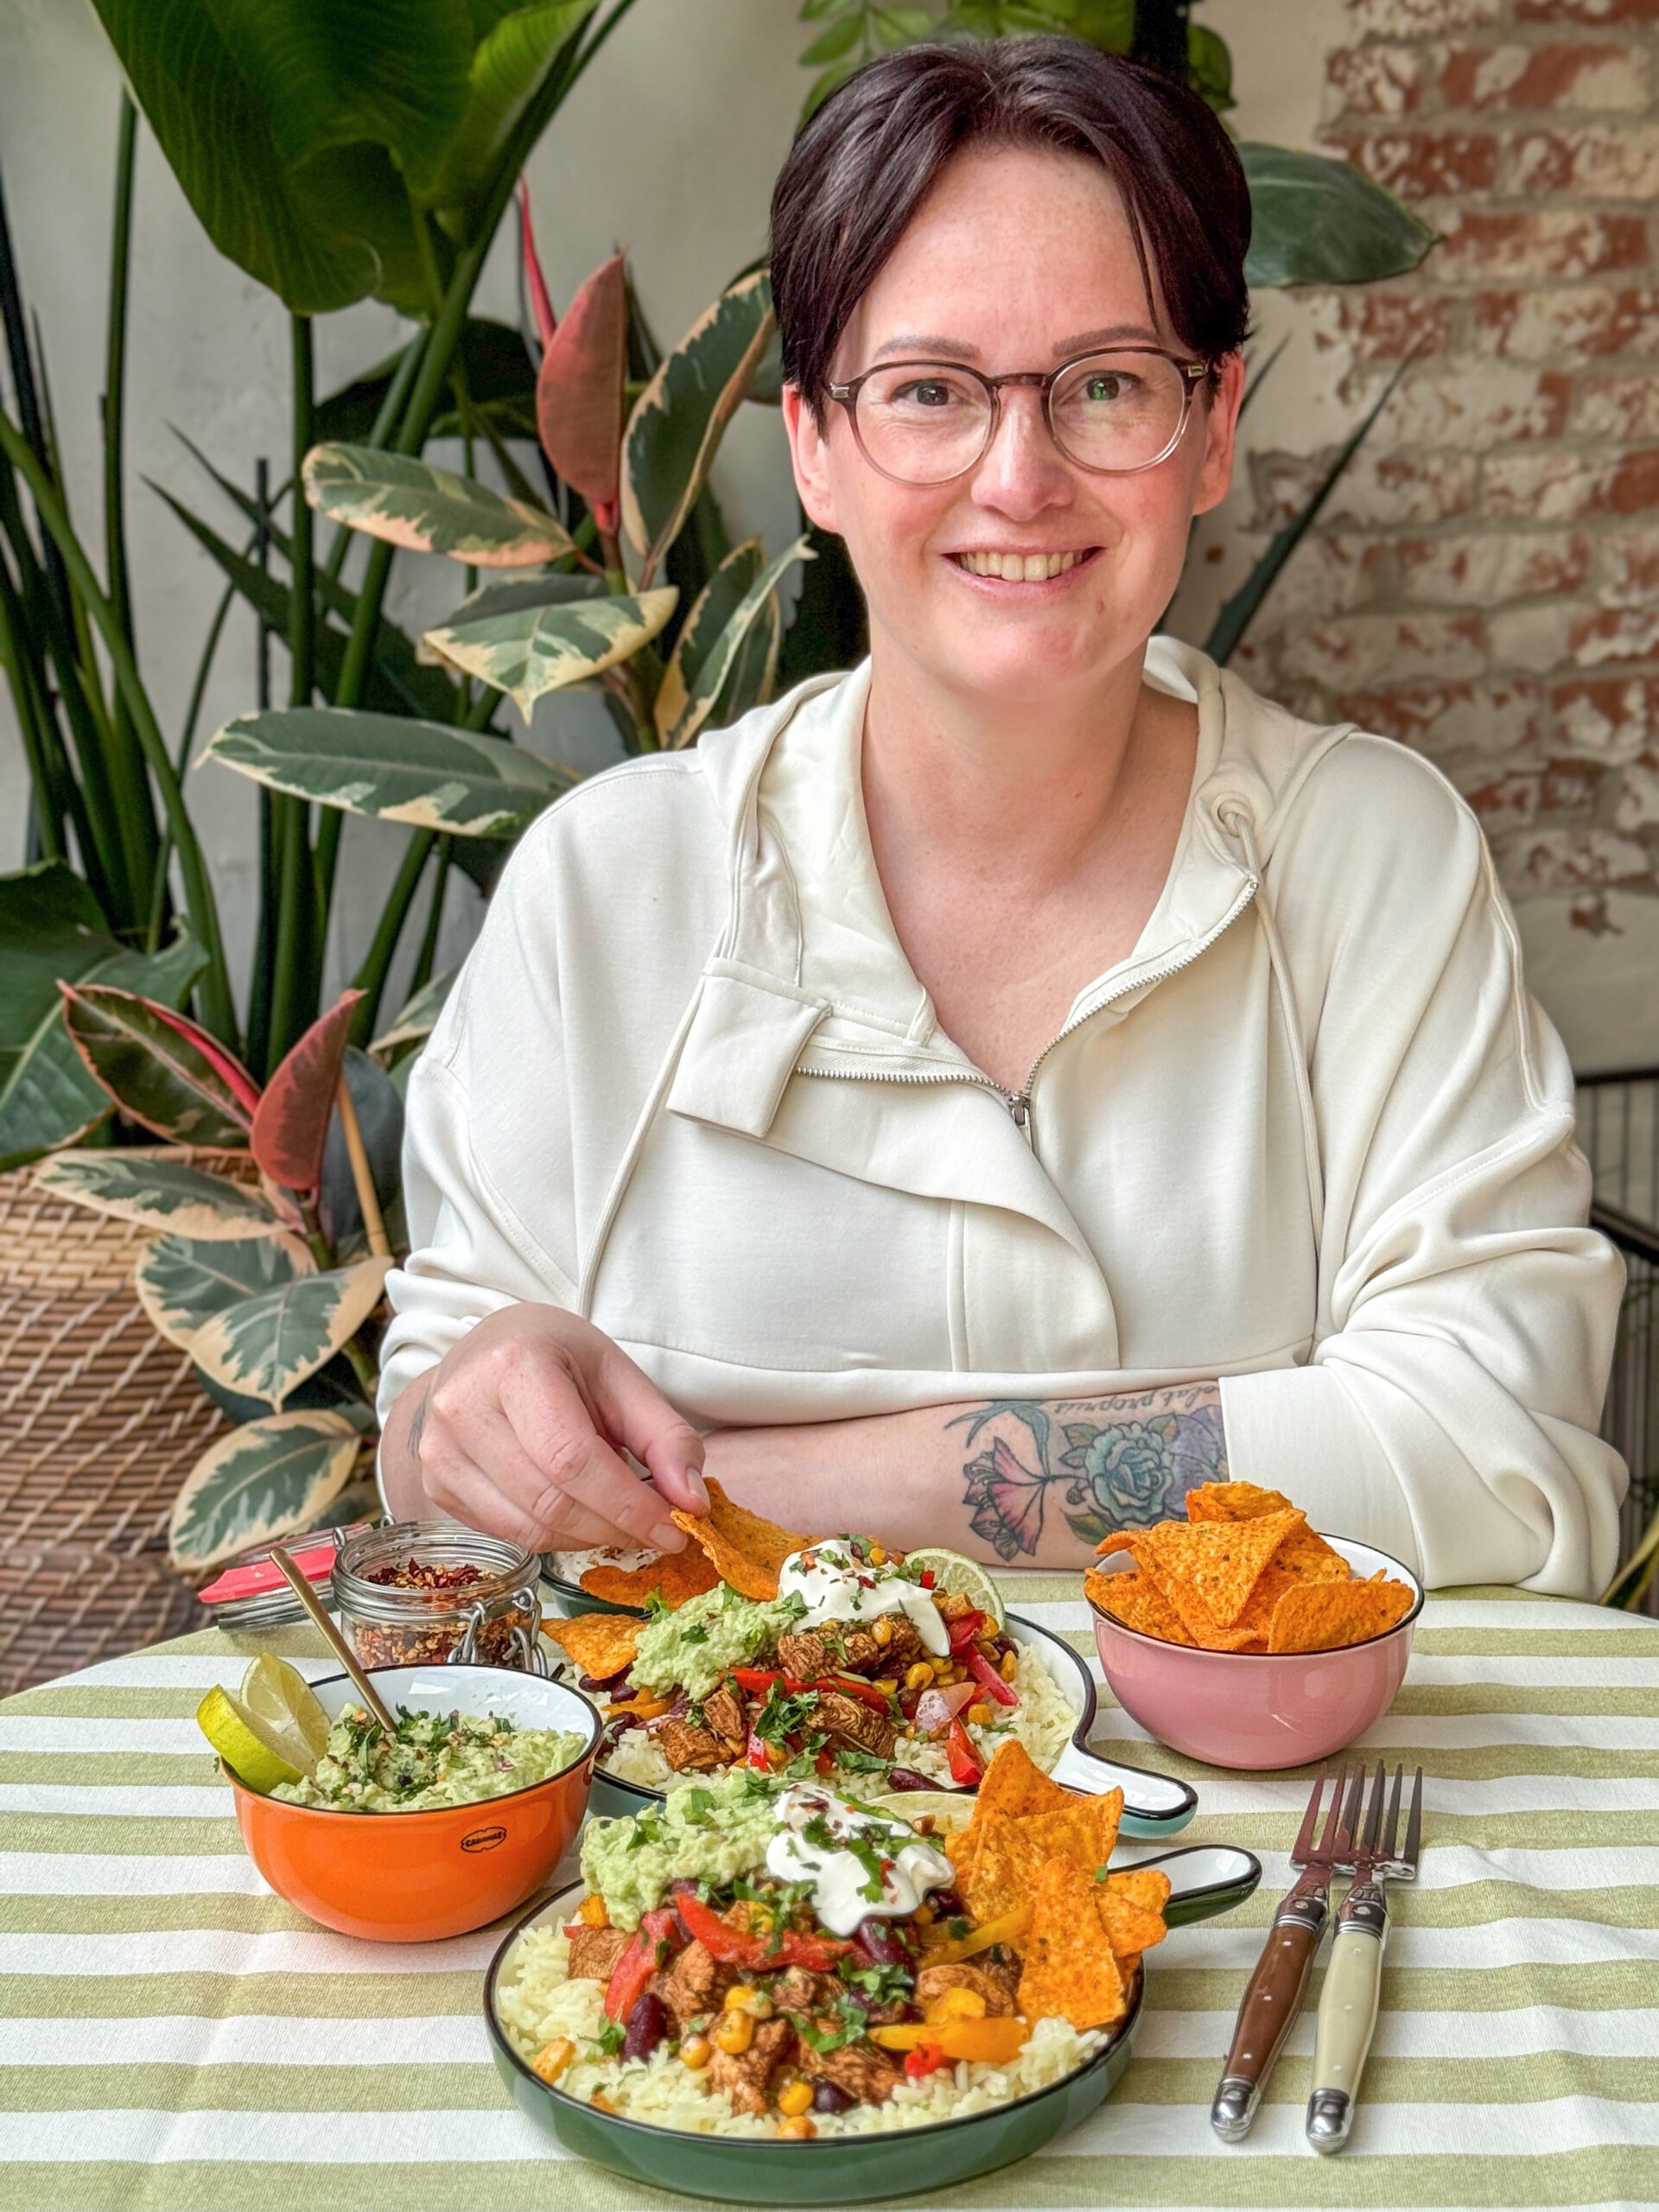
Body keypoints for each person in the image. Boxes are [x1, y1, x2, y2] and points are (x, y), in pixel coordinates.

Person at [377, 36, 1626, 1596]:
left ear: (1215, 426)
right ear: (817, 447)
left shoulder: (1367, 856)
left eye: (1105, 384)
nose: (1019, 477)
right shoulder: (612, 881)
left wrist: (757, 1488)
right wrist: (468, 1416)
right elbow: (437, 1448)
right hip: (715, 1818)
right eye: (929, 394)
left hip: (1262, 1822)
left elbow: (1496, 1447)